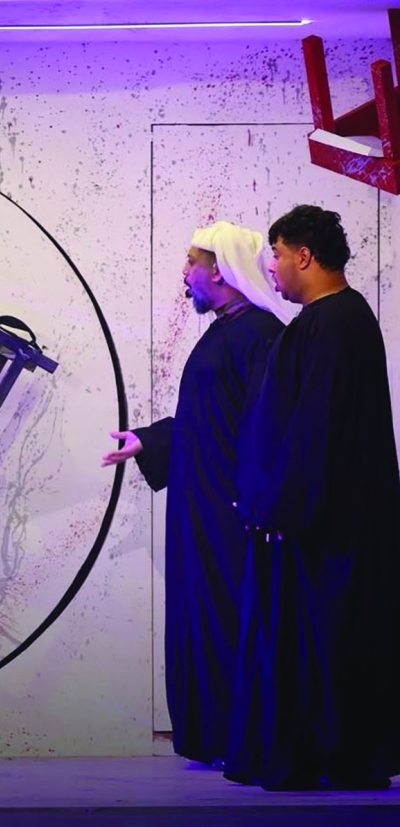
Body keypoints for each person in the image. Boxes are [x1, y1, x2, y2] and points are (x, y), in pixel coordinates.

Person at [224, 205, 400, 790]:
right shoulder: (330, 320)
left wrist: (283, 505)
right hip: (315, 519)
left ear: (303, 255)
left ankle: (331, 758)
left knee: (326, 644)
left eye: (276, 255)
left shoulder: (336, 322)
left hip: (326, 529)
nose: (271, 267)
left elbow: (317, 427)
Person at [102, 221, 286, 765]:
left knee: (231, 613)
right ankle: (214, 736)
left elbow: (265, 428)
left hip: (230, 509)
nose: (185, 273)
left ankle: (243, 737)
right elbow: (208, 418)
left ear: (221, 271)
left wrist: (250, 500)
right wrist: (150, 439)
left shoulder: (260, 335)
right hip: (202, 505)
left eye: (192, 262)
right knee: (201, 613)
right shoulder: (226, 331)